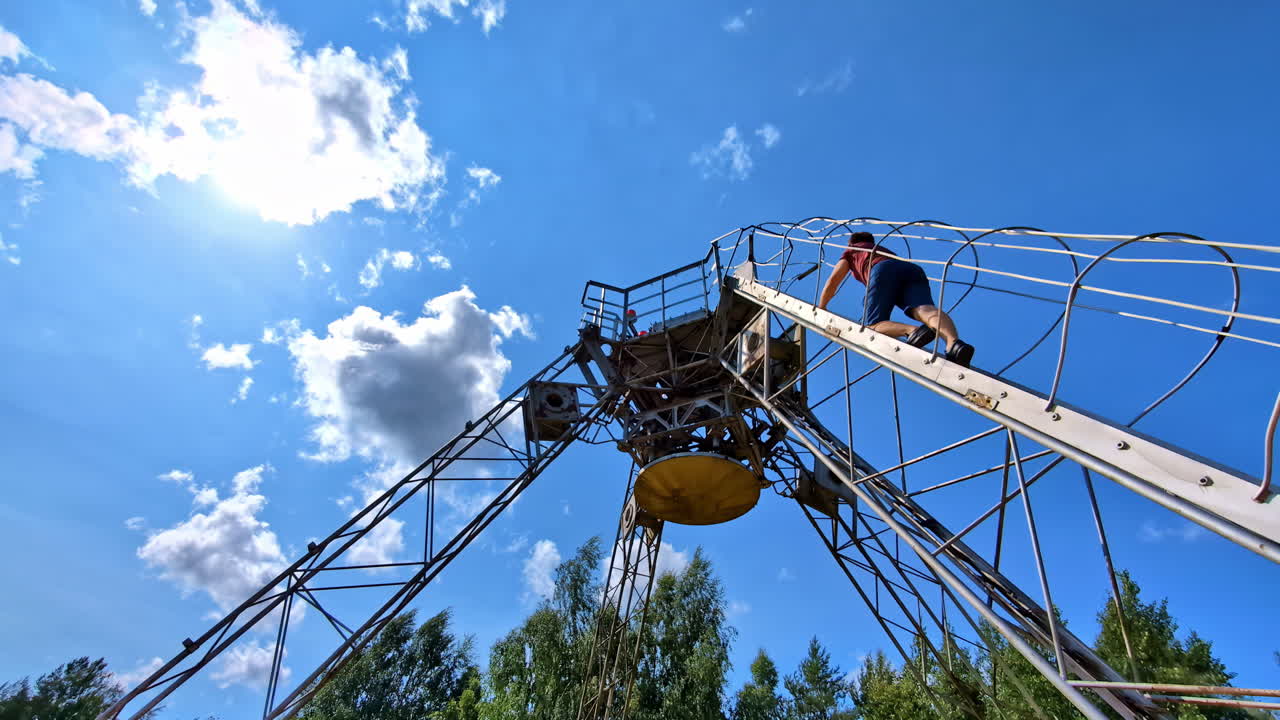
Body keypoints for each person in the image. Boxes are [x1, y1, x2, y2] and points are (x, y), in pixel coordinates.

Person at [817, 231, 975, 367]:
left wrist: (821, 307)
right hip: (910, 269)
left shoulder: (851, 251)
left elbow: (833, 281)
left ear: (851, 243)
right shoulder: (881, 249)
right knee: (924, 309)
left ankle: (913, 331)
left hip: (882, 270)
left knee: (871, 326)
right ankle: (953, 344)